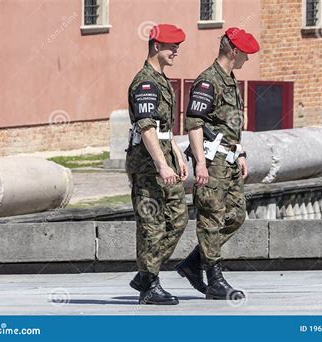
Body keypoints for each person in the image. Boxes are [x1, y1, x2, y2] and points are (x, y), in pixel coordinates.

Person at [177, 27, 260, 300]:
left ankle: (192, 263)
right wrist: (200, 162)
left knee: (236, 215)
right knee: (211, 218)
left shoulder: (229, 79)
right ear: (233, 51)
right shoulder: (208, 82)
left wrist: (242, 152)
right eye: (245, 54)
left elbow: (228, 125)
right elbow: (194, 123)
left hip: (230, 159)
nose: (247, 59)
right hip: (213, 163)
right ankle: (214, 279)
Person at [125, 24, 188, 305]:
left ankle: (145, 273)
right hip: (148, 167)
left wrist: (177, 152)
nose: (176, 51)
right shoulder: (145, 83)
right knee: (151, 225)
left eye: (177, 46)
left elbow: (164, 128)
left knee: (178, 218)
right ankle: (149, 287)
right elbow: (147, 127)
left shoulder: (161, 79)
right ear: (155, 47)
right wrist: (163, 165)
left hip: (166, 161)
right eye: (171, 46)